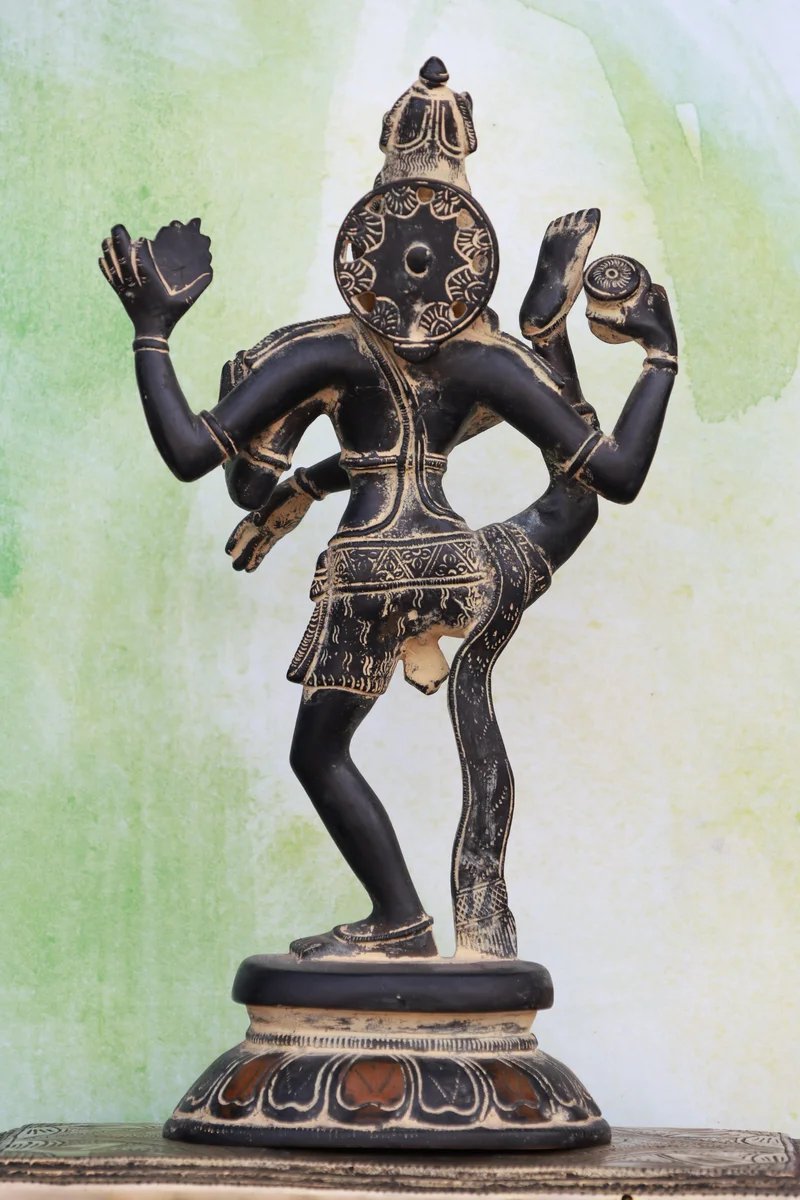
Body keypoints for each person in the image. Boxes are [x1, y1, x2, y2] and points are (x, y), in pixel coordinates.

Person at [99, 59, 677, 961]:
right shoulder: (482, 357)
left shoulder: (320, 348)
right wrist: (658, 357)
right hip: (458, 562)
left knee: (318, 754)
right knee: (571, 506)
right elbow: (619, 474)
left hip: (368, 572)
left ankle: (400, 918)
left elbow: (192, 455)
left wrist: (152, 330)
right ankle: (552, 334)